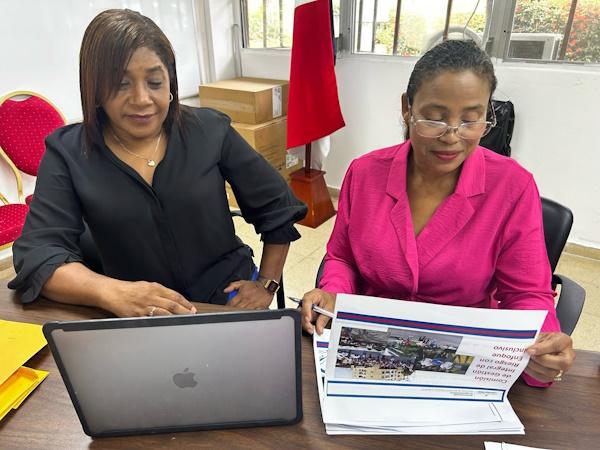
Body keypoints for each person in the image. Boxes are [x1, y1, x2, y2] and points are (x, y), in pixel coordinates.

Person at [300, 40, 574, 386]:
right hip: (370, 344)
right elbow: (343, 257)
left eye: (470, 120)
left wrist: (543, 347)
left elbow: (526, 293)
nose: (452, 136)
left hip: (463, 357)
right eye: (435, 118)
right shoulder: (365, 173)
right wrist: (333, 292)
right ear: (407, 108)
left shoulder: (513, 187)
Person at [9, 9, 306, 317]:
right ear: (94, 89)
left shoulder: (209, 130)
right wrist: (112, 292)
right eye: (120, 84)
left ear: (170, 82)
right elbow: (38, 256)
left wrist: (266, 284)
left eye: (154, 82)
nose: (142, 99)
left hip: (222, 301)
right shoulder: (68, 152)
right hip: (136, 314)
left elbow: (277, 207)